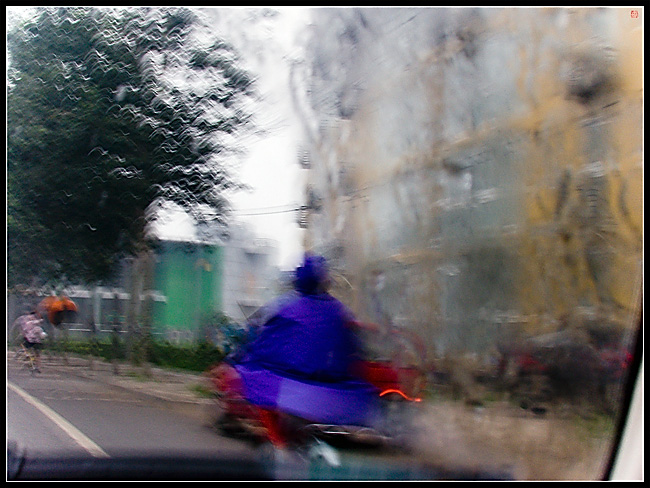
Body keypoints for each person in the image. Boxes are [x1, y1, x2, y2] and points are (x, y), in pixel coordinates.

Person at [228, 254, 380, 449]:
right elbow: (355, 349)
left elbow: (258, 341)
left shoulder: (284, 308)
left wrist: (236, 360)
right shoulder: (340, 311)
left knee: (252, 379)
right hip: (336, 391)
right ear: (326, 282)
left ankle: (279, 445)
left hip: (288, 386)